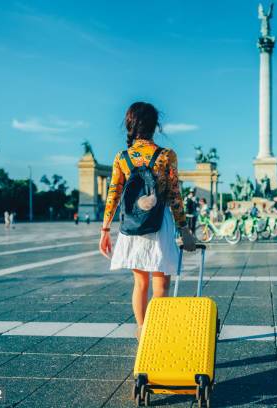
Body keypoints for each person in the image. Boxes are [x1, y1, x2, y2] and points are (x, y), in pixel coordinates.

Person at [99, 101, 196, 340]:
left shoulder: (122, 157)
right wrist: (184, 229)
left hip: (132, 225)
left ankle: (142, 330)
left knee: (140, 284)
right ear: (155, 126)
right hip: (159, 224)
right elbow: (174, 195)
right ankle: (156, 332)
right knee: (160, 287)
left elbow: (113, 193)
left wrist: (105, 230)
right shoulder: (166, 156)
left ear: (130, 124)